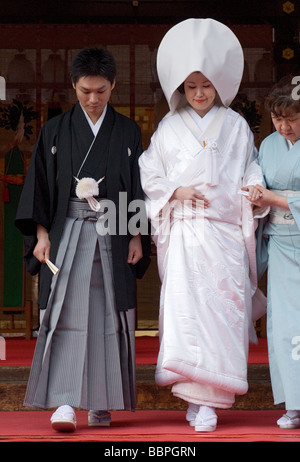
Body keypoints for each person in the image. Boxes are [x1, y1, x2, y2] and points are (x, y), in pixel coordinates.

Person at [139, 18, 267, 432]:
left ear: (219, 86)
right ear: (180, 88)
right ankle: (197, 400)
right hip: (186, 234)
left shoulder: (236, 127)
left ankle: (210, 401)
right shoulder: (168, 129)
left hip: (225, 233)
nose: (199, 94)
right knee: (187, 314)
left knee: (223, 312)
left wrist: (253, 187)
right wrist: (175, 192)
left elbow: (251, 169)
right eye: (191, 87)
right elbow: (149, 173)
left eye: (206, 86)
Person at [15, 47, 150, 432]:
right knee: (65, 313)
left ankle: (102, 402)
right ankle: (64, 403)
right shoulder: (55, 130)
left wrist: (138, 236)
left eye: (102, 91)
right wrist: (41, 234)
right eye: (86, 91)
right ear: (74, 86)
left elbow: (136, 187)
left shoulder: (127, 131)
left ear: (113, 87)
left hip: (115, 230)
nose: (93, 100)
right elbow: (40, 185)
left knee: (109, 314)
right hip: (68, 229)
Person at [251, 75, 300, 429]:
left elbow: (273, 196)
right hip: (281, 246)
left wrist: (274, 198)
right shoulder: (267, 146)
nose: (283, 126)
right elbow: (257, 182)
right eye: (277, 118)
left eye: (292, 118)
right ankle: (294, 404)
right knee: (284, 326)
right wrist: (256, 197)